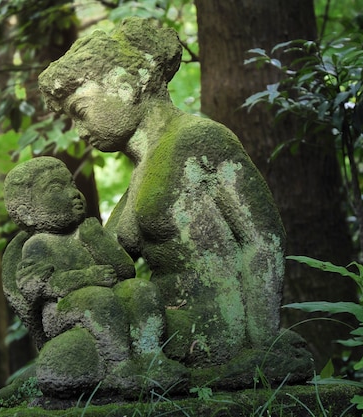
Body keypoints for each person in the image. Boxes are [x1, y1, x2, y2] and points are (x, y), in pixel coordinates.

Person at [38, 17, 288, 369]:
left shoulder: (199, 141)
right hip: (156, 319)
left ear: (126, 83)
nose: (79, 131)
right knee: (70, 344)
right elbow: (107, 259)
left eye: (80, 111)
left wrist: (262, 345)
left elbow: (263, 240)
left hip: (211, 326)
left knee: (78, 355)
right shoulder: (143, 171)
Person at [0, 156, 187, 399]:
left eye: (72, 184)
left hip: (105, 296)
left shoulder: (87, 232)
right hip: (62, 311)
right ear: (28, 214)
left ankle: (150, 355)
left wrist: (96, 240)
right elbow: (37, 287)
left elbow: (124, 271)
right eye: (57, 188)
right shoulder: (38, 244)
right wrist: (87, 276)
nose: (73, 193)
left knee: (140, 289)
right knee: (99, 299)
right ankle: (120, 366)